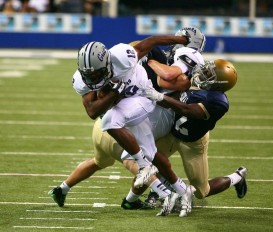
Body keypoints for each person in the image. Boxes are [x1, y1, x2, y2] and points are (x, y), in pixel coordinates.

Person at [49, 33, 194, 215]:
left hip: (142, 96)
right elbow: (92, 112)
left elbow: (150, 42)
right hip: (125, 106)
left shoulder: (122, 55)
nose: (93, 77)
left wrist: (179, 40)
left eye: (96, 72)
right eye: (89, 74)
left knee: (110, 120)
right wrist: (114, 93)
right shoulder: (81, 79)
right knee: (151, 153)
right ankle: (182, 190)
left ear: (107, 63)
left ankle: (145, 169)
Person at [141, 58, 247, 217]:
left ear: (218, 84)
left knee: (202, 191)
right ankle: (159, 193)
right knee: (147, 160)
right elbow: (175, 98)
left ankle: (237, 177)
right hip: (172, 133)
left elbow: (188, 110)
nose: (203, 73)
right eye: (206, 70)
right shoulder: (197, 82)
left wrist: (159, 97)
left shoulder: (218, 102)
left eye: (209, 74)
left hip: (193, 143)